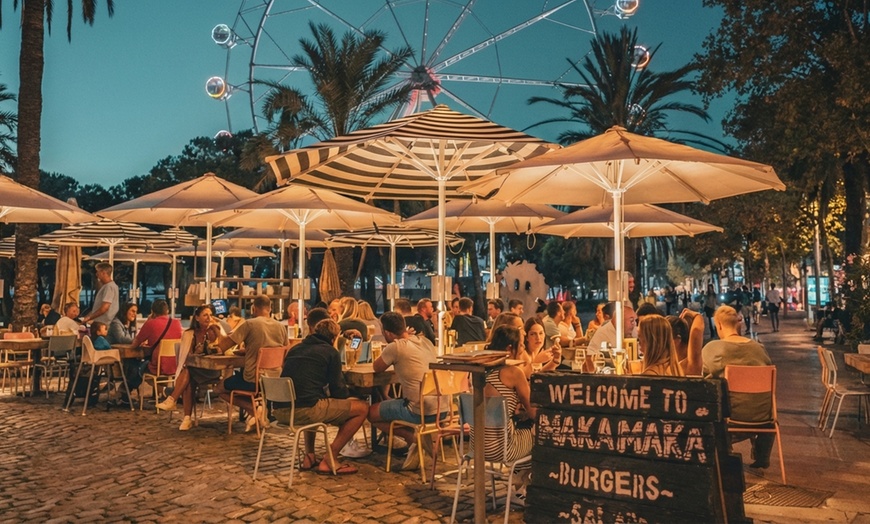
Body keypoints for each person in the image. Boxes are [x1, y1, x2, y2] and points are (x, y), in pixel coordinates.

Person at [276, 318, 368, 475]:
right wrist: (353, 393)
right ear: (334, 338)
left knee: (315, 400)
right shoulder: (330, 352)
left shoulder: (295, 349)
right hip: (306, 410)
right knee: (362, 408)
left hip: (280, 410)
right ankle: (330, 458)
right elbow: (338, 392)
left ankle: (309, 456)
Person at [702, 305, 774, 469]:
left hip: (731, 416)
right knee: (763, 401)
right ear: (737, 323)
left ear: (718, 325)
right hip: (764, 416)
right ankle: (762, 456)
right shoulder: (759, 348)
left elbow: (702, 375)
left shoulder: (714, 348)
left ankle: (724, 451)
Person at [369, 312, 441, 471]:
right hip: (442, 409)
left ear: (387, 332)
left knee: (370, 413)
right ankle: (413, 446)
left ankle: (414, 438)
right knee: (397, 402)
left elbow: (377, 368)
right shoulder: (425, 341)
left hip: (418, 411)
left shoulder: (395, 346)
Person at [213, 295, 288, 430]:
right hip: (274, 380)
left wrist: (216, 329)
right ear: (270, 308)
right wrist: (249, 351)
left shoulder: (249, 324)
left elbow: (224, 346)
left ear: (253, 309)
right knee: (240, 383)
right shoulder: (281, 327)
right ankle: (257, 411)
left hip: (253, 379)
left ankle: (253, 409)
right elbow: (284, 351)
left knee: (219, 388)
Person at [481, 324, 536, 502]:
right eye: (520, 345)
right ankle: (521, 478)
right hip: (503, 448)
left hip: (478, 446)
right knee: (543, 434)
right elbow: (534, 412)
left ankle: (521, 486)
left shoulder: (480, 370)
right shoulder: (514, 372)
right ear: (509, 348)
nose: (522, 349)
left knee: (525, 424)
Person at [156, 304, 227, 430]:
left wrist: (216, 329)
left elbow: (226, 346)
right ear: (197, 318)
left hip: (213, 371)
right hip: (196, 369)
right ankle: (186, 418)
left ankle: (173, 400)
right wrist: (197, 352)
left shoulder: (215, 331)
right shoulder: (189, 334)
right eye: (205, 315)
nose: (208, 317)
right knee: (189, 377)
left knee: (188, 372)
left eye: (210, 315)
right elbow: (186, 358)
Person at [127, 299, 183, 395]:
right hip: (175, 365)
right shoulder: (177, 323)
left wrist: (148, 321)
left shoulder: (151, 324)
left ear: (152, 312)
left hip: (157, 367)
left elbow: (134, 344)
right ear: (167, 311)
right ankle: (164, 391)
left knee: (137, 367)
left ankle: (126, 391)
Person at [667, 308, 705, 376]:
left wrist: (697, 315)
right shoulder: (670, 362)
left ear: (677, 340)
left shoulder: (690, 364)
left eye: (665, 338)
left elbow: (696, 331)